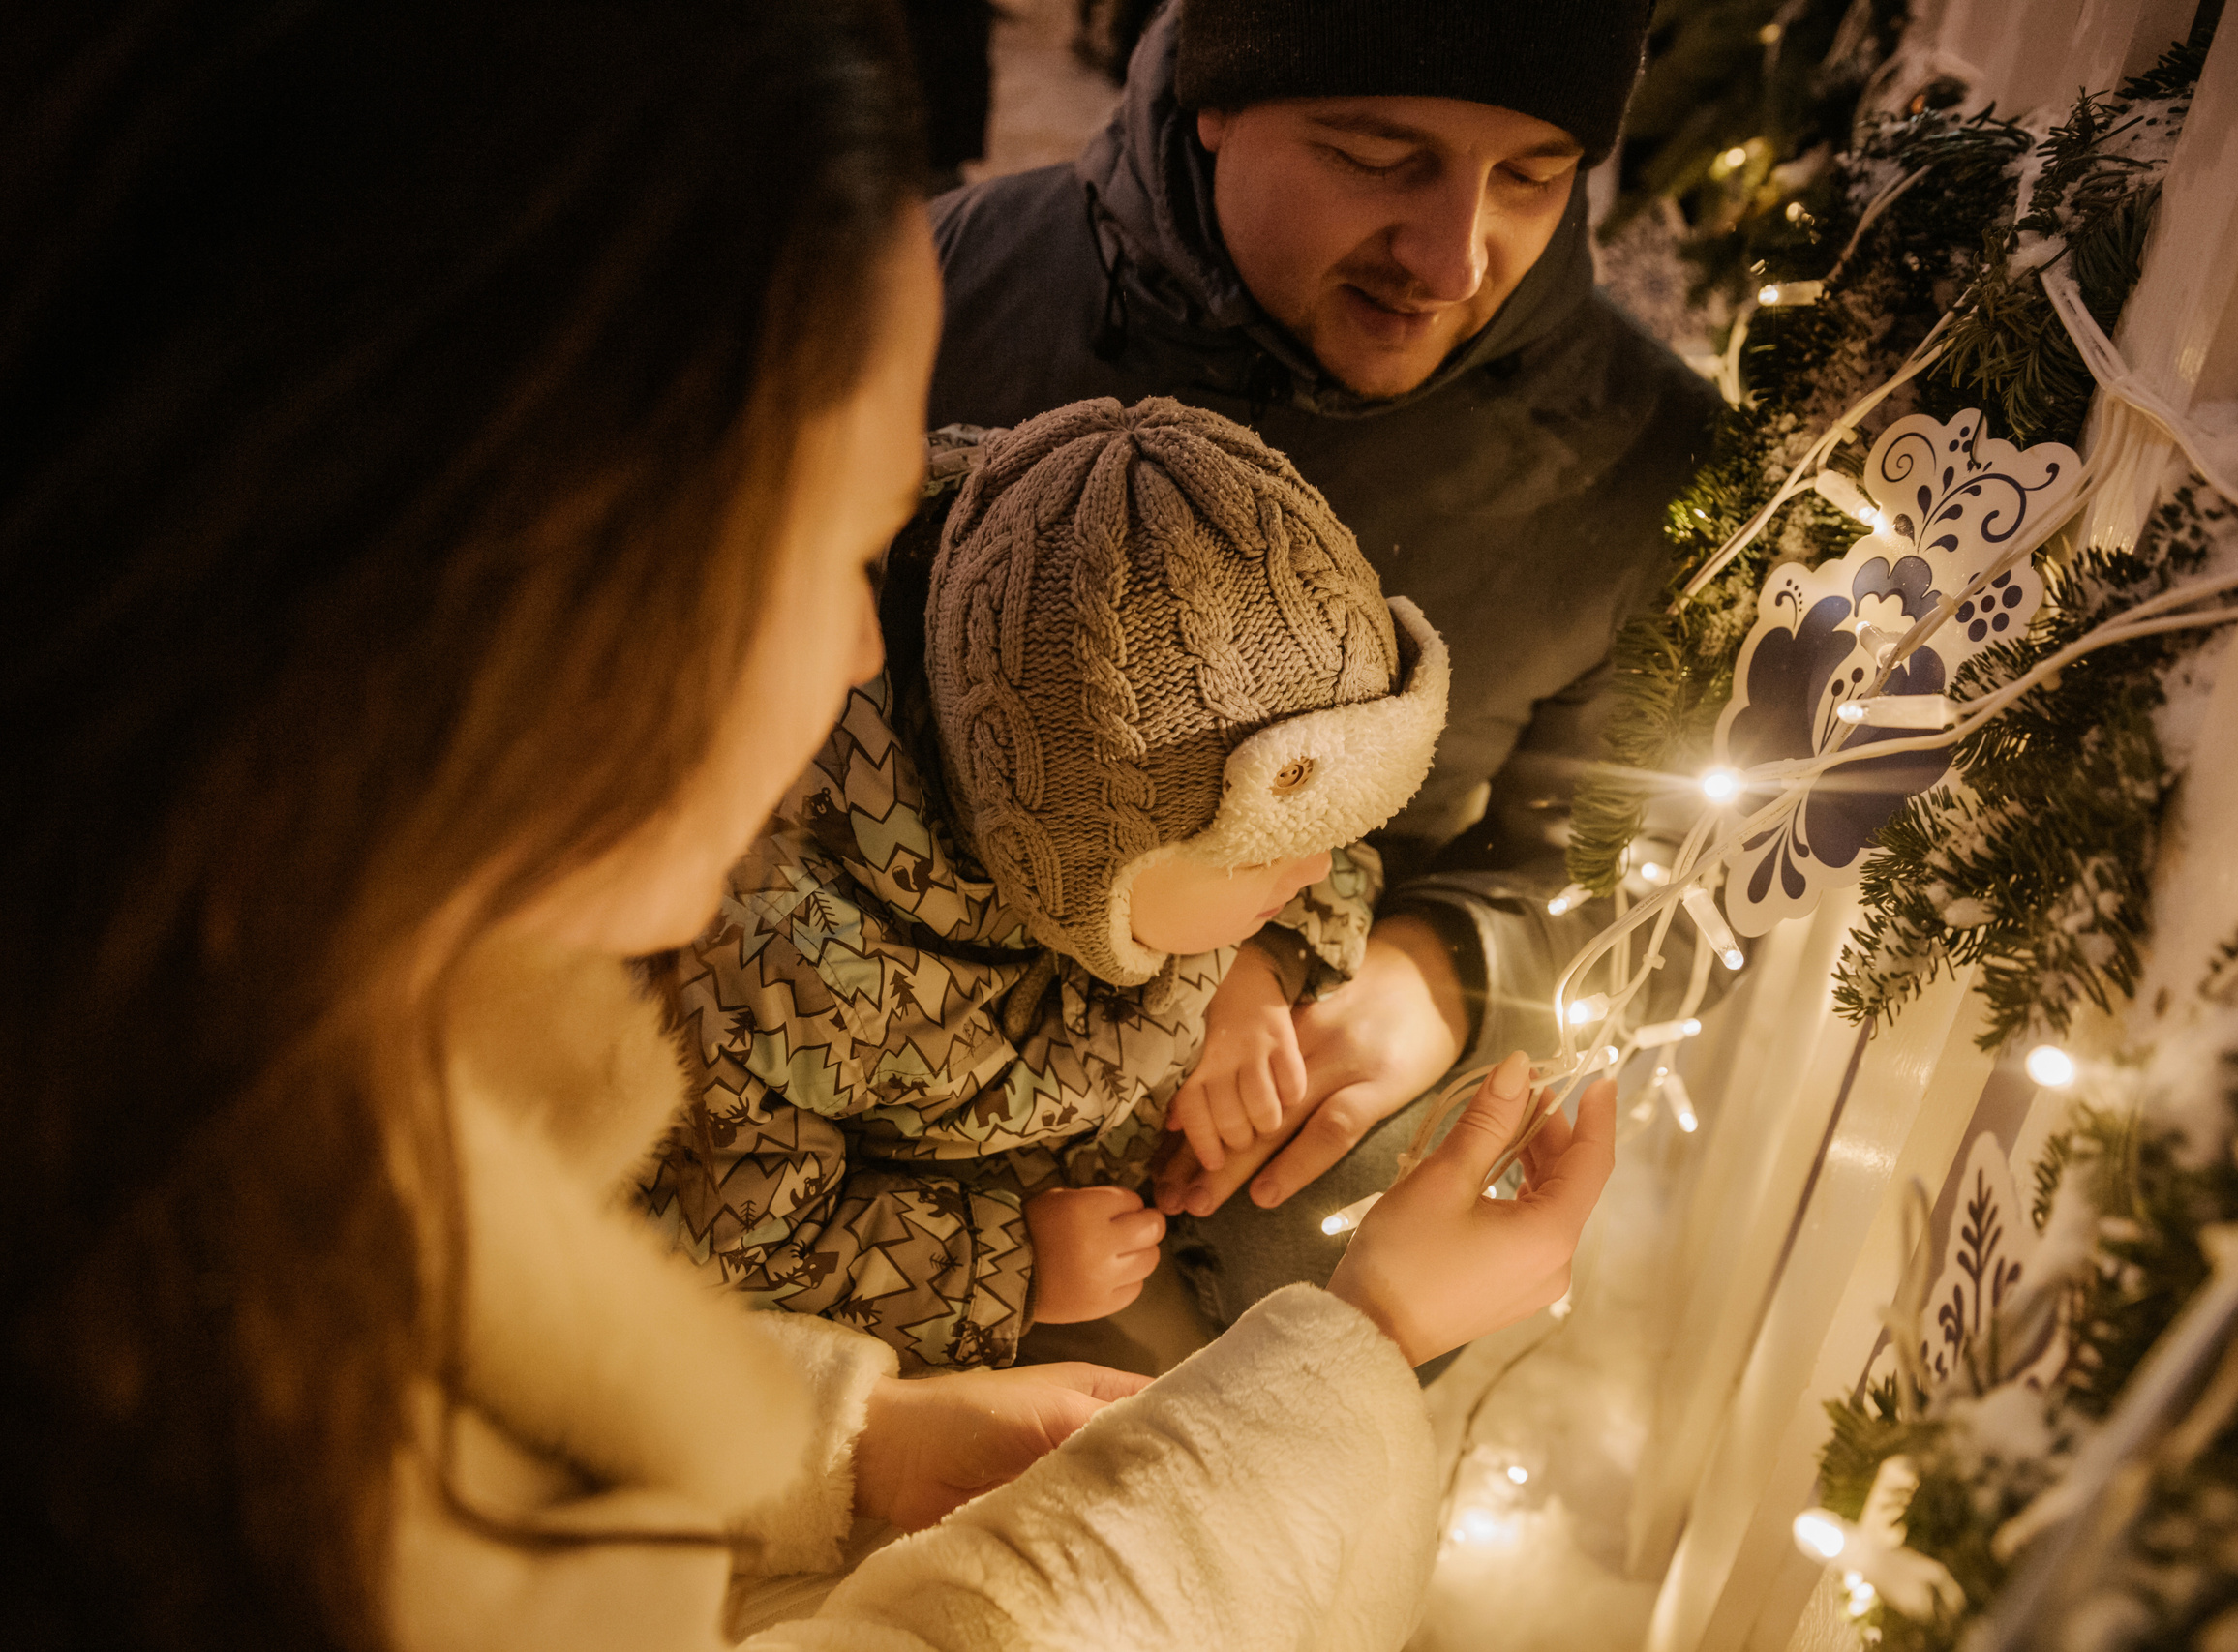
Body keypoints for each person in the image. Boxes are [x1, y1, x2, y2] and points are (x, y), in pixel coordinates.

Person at [0, 6, 1615, 1651]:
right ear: (516, 553)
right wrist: (1360, 1344)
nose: (867, 653)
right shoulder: (197, 1410)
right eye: (855, 544)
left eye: (1540, 174)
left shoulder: (303, 1099)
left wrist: (836, 1445)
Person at [922, 0, 1723, 1325]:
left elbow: (1668, 867)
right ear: (1219, 102)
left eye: (1531, 175)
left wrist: (1447, 973)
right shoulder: (945, 287)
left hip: (1251, 1166)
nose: (1455, 256)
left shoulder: (1655, 468)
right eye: (1376, 153)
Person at [647, 395, 1450, 1370]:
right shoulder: (783, 965)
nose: (1317, 865)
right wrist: (1005, 1265)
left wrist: (1261, 964)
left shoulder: (1245, 847)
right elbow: (730, 1236)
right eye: (1260, 857)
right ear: (1070, 862)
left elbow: (1327, 845)